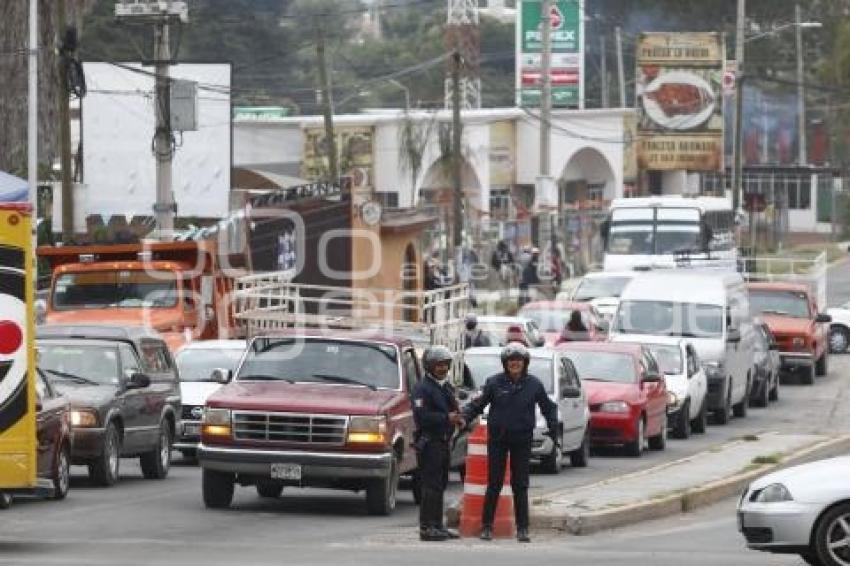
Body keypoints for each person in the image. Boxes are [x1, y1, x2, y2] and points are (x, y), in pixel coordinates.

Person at [462, 343, 557, 543]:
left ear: (525, 363)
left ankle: (523, 528)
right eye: (511, 361)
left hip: (522, 439)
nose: (515, 364)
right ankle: (487, 526)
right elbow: (478, 404)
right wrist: (464, 417)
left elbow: (548, 408)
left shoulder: (534, 384)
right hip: (498, 438)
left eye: (518, 361)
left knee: (520, 484)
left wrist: (553, 428)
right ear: (505, 364)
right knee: (494, 482)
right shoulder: (494, 383)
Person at [412, 345, 465, 542]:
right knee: (431, 486)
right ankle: (426, 527)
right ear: (429, 366)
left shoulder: (445, 387)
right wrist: (446, 418)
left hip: (444, 443)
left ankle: (438, 525)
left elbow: (454, 409)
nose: (443, 368)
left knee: (441, 484)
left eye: (445, 364)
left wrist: (459, 418)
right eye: (438, 365)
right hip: (430, 443)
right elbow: (422, 417)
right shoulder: (422, 388)